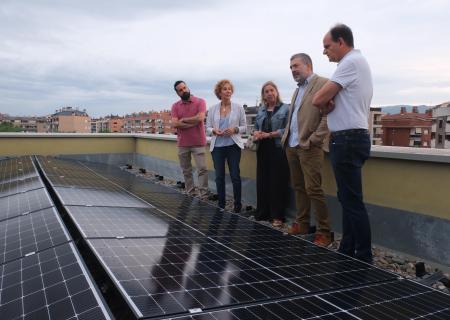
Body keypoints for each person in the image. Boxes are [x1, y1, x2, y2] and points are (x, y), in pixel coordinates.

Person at [312, 24, 373, 263]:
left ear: (341, 42)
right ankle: (348, 249)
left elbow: (318, 98)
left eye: (327, 46)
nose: (325, 52)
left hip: (347, 139)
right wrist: (327, 103)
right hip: (353, 138)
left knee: (352, 201)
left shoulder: (349, 63)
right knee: (348, 199)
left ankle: (364, 256)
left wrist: (324, 102)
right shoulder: (357, 63)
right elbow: (327, 101)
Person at [280, 53, 332, 246]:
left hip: (309, 147)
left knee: (314, 189)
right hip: (292, 145)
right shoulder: (297, 90)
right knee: (299, 187)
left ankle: (324, 232)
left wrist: (314, 140)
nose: (293, 70)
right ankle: (302, 224)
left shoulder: (323, 83)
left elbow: (328, 116)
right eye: (291, 67)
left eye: (296, 66)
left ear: (308, 65)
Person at [253, 81, 290, 227]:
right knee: (263, 181)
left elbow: (287, 129)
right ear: (263, 95)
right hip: (262, 148)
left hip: (278, 148)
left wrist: (269, 134)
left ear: (276, 92)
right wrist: (256, 132)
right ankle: (263, 212)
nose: (269, 93)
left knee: (277, 182)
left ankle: (277, 216)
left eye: (271, 90)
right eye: (266, 91)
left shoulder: (285, 109)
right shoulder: (261, 110)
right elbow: (255, 127)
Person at [206, 79, 247, 213]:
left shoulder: (239, 108)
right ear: (219, 92)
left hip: (233, 146)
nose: (228, 91)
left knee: (235, 175)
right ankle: (221, 204)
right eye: (225, 89)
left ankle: (237, 205)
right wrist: (214, 131)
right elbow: (207, 128)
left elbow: (244, 127)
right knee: (219, 176)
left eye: (230, 89)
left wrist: (234, 130)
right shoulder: (212, 109)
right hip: (217, 147)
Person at [171, 80, 209, 196]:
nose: (183, 91)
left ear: (188, 87)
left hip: (198, 142)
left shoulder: (200, 102)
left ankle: (204, 194)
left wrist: (183, 120)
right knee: (186, 170)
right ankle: (190, 193)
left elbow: (200, 118)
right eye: (180, 90)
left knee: (202, 169)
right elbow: (175, 124)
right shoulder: (175, 106)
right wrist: (193, 122)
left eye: (184, 88)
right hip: (183, 143)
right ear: (178, 93)